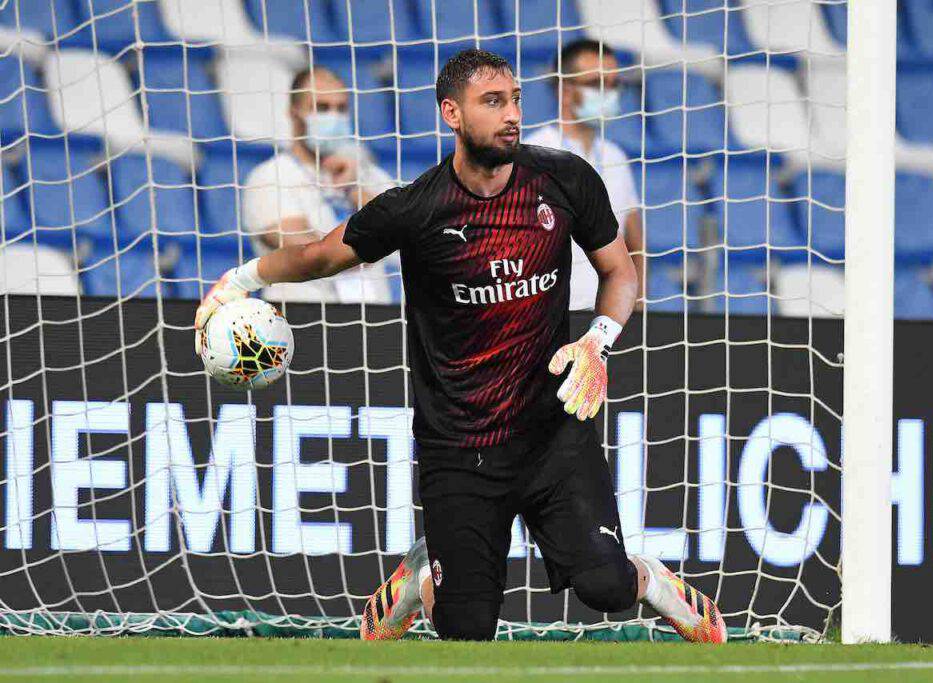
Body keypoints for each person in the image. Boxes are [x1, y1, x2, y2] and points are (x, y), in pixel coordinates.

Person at [194, 49, 726, 644]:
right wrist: (239, 281)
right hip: (459, 448)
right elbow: (320, 255)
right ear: (451, 112)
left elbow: (620, 273)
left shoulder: (565, 179)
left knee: (604, 587)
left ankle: (653, 582)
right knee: (466, 633)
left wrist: (596, 342)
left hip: (554, 433)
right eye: (492, 101)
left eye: (516, 100)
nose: (511, 115)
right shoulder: (416, 208)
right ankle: (425, 574)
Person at [242, 65, 394, 304]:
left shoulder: (369, 175)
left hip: (374, 322)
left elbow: (405, 231)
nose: (333, 117)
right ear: (294, 113)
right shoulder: (269, 177)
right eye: (322, 108)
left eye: (341, 109)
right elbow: (314, 254)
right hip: (304, 321)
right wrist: (379, 241)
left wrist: (354, 190)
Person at [525, 39, 644, 310]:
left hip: (605, 320)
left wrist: (635, 307)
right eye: (596, 83)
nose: (608, 92)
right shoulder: (531, 155)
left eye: (614, 84)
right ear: (565, 90)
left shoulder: (615, 157)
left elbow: (634, 243)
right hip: (548, 318)